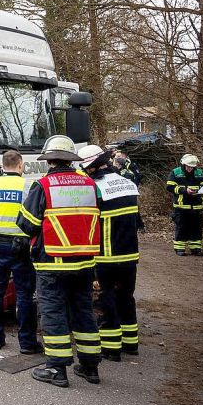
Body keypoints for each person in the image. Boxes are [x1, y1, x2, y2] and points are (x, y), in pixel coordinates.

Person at [17, 135, 102, 388]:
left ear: (49, 160)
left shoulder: (43, 186)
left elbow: (27, 224)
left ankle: (56, 369)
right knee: (83, 312)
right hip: (85, 262)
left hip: (52, 263)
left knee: (53, 313)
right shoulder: (89, 184)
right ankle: (90, 367)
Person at [79, 145, 142, 361]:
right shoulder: (128, 183)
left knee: (107, 299)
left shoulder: (94, 188)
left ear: (91, 168)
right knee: (127, 297)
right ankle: (131, 343)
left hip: (106, 255)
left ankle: (111, 348)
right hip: (130, 255)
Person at [0, 150, 41, 354]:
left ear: (2, 166)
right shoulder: (28, 186)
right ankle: (27, 343)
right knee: (24, 294)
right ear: (20, 166)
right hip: (20, 248)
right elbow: (34, 218)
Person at [166, 154, 203, 256]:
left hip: (197, 205)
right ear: (183, 164)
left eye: (192, 167)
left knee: (196, 228)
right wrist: (185, 190)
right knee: (181, 227)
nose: (190, 169)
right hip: (182, 206)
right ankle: (179, 248)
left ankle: (195, 248)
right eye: (188, 167)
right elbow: (170, 187)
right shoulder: (175, 172)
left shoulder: (200, 172)